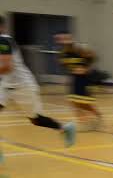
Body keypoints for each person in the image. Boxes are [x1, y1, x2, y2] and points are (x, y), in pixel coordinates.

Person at [0, 15, 76, 160]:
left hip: (22, 86)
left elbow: (6, 67)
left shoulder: (3, 40)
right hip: (5, 85)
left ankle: (65, 128)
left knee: (36, 120)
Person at [54, 32, 103, 131]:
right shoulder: (62, 54)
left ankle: (97, 116)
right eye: (61, 39)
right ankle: (83, 122)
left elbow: (93, 56)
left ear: (70, 39)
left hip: (85, 79)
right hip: (75, 78)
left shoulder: (79, 49)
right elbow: (66, 65)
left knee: (84, 103)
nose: (64, 41)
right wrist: (70, 74)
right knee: (73, 102)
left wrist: (86, 68)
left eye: (66, 38)